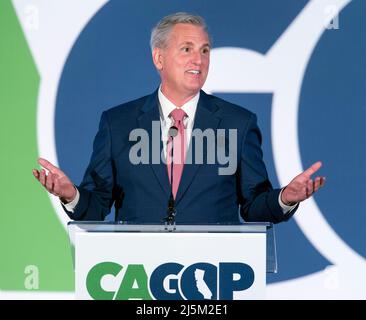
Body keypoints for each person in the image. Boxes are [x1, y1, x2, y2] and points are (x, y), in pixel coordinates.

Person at [32, 12, 325, 223]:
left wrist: (285, 198)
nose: (198, 60)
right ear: (159, 58)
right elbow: (96, 207)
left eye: (205, 51)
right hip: (139, 271)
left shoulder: (239, 122)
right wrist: (71, 195)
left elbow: (255, 207)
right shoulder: (117, 123)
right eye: (186, 49)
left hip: (213, 274)